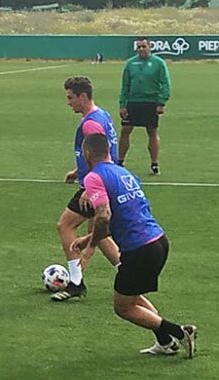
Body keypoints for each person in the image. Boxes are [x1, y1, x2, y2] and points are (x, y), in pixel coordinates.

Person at [71, 133, 196, 358]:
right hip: (158, 242)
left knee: (123, 307)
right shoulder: (124, 173)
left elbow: (103, 216)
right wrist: (87, 239)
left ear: (87, 153)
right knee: (132, 296)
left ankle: (179, 331)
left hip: (140, 250)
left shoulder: (94, 177)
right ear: (109, 150)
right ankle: (165, 342)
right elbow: (125, 215)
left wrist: (91, 246)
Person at [52, 76, 121, 302]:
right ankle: (126, 272)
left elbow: (99, 155)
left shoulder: (90, 123)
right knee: (99, 236)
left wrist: (88, 185)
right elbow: (101, 152)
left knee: (65, 225)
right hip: (107, 179)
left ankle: (76, 282)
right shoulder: (102, 115)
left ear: (83, 96)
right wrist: (78, 170)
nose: (68, 102)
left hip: (95, 185)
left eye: (71, 98)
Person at [118, 36, 172, 175]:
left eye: (144, 46)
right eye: (139, 47)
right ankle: (120, 161)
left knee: (152, 132)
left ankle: (154, 164)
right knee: (125, 130)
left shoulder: (158, 63)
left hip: (150, 102)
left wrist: (161, 102)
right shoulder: (130, 64)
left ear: (150, 47)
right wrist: (122, 104)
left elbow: (165, 84)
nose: (141, 49)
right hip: (133, 102)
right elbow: (125, 85)